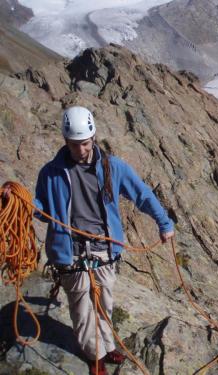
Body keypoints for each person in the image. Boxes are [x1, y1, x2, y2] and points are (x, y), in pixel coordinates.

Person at [7, 106, 175, 375]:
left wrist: (164, 223)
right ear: (66, 141)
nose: (80, 150)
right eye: (74, 145)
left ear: (93, 138)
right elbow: (42, 210)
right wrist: (19, 201)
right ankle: (94, 356)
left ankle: (106, 346)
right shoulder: (50, 173)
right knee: (82, 308)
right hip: (70, 252)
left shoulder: (112, 167)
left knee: (104, 303)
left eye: (84, 143)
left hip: (104, 250)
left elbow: (142, 194)